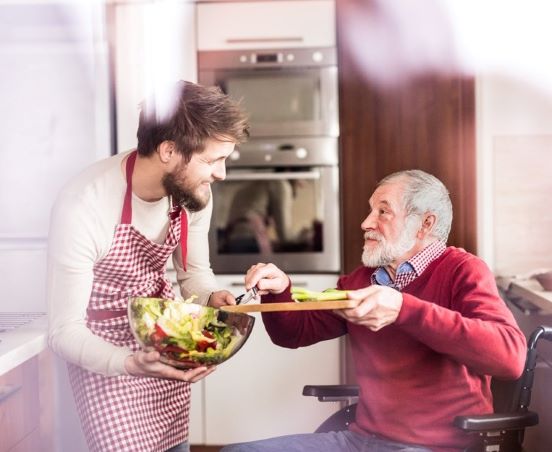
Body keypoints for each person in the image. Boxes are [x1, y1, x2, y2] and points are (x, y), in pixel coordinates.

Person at [222, 169, 527, 452]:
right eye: (371, 210)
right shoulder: (360, 281)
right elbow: (293, 334)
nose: (366, 223)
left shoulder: (463, 270)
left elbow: (509, 357)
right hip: (359, 441)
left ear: (425, 224)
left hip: (437, 446)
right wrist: (280, 291)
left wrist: (403, 308)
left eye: (383, 211)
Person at [47, 80, 248, 452]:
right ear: (169, 150)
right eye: (212, 160)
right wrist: (129, 362)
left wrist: (212, 297)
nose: (221, 174)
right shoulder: (85, 206)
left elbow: (193, 275)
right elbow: (63, 331)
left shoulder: (194, 193)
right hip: (104, 355)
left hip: (165, 341)